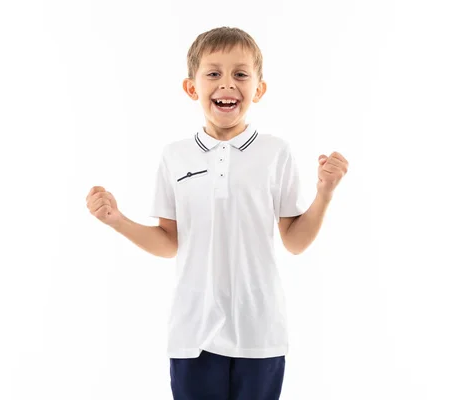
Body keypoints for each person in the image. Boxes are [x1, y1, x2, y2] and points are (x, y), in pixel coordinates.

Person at [86, 26, 349, 400]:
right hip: (193, 334)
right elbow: (168, 243)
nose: (227, 84)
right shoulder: (174, 156)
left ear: (259, 89)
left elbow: (295, 241)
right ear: (192, 88)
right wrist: (117, 220)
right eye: (213, 73)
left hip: (260, 333)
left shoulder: (277, 153)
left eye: (240, 74)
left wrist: (324, 193)